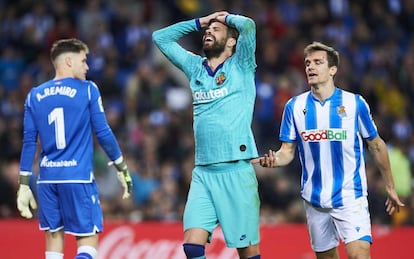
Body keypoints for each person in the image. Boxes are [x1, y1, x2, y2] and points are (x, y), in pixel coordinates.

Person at [252, 41, 404, 259]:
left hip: (350, 196)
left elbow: (377, 144)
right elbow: (287, 151)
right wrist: (274, 160)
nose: (310, 67)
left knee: (359, 255)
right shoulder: (294, 107)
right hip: (314, 199)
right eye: (307, 63)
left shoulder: (354, 104)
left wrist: (390, 185)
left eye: (317, 62)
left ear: (333, 69)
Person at [153, 11, 261, 259]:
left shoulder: (241, 65)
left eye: (216, 30)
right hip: (203, 172)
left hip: (235, 170)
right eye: (207, 30)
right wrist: (200, 21)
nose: (208, 32)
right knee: (192, 246)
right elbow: (160, 38)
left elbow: (248, 25)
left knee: (247, 253)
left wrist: (227, 18)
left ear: (232, 42)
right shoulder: (195, 68)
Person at [16, 38, 133, 259]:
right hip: (77, 177)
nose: (87, 67)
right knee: (88, 241)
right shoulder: (88, 89)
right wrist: (121, 167)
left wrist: (23, 183)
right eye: (83, 60)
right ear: (69, 61)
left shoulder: (34, 95)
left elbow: (29, 141)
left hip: (47, 180)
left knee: (53, 244)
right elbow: (103, 132)